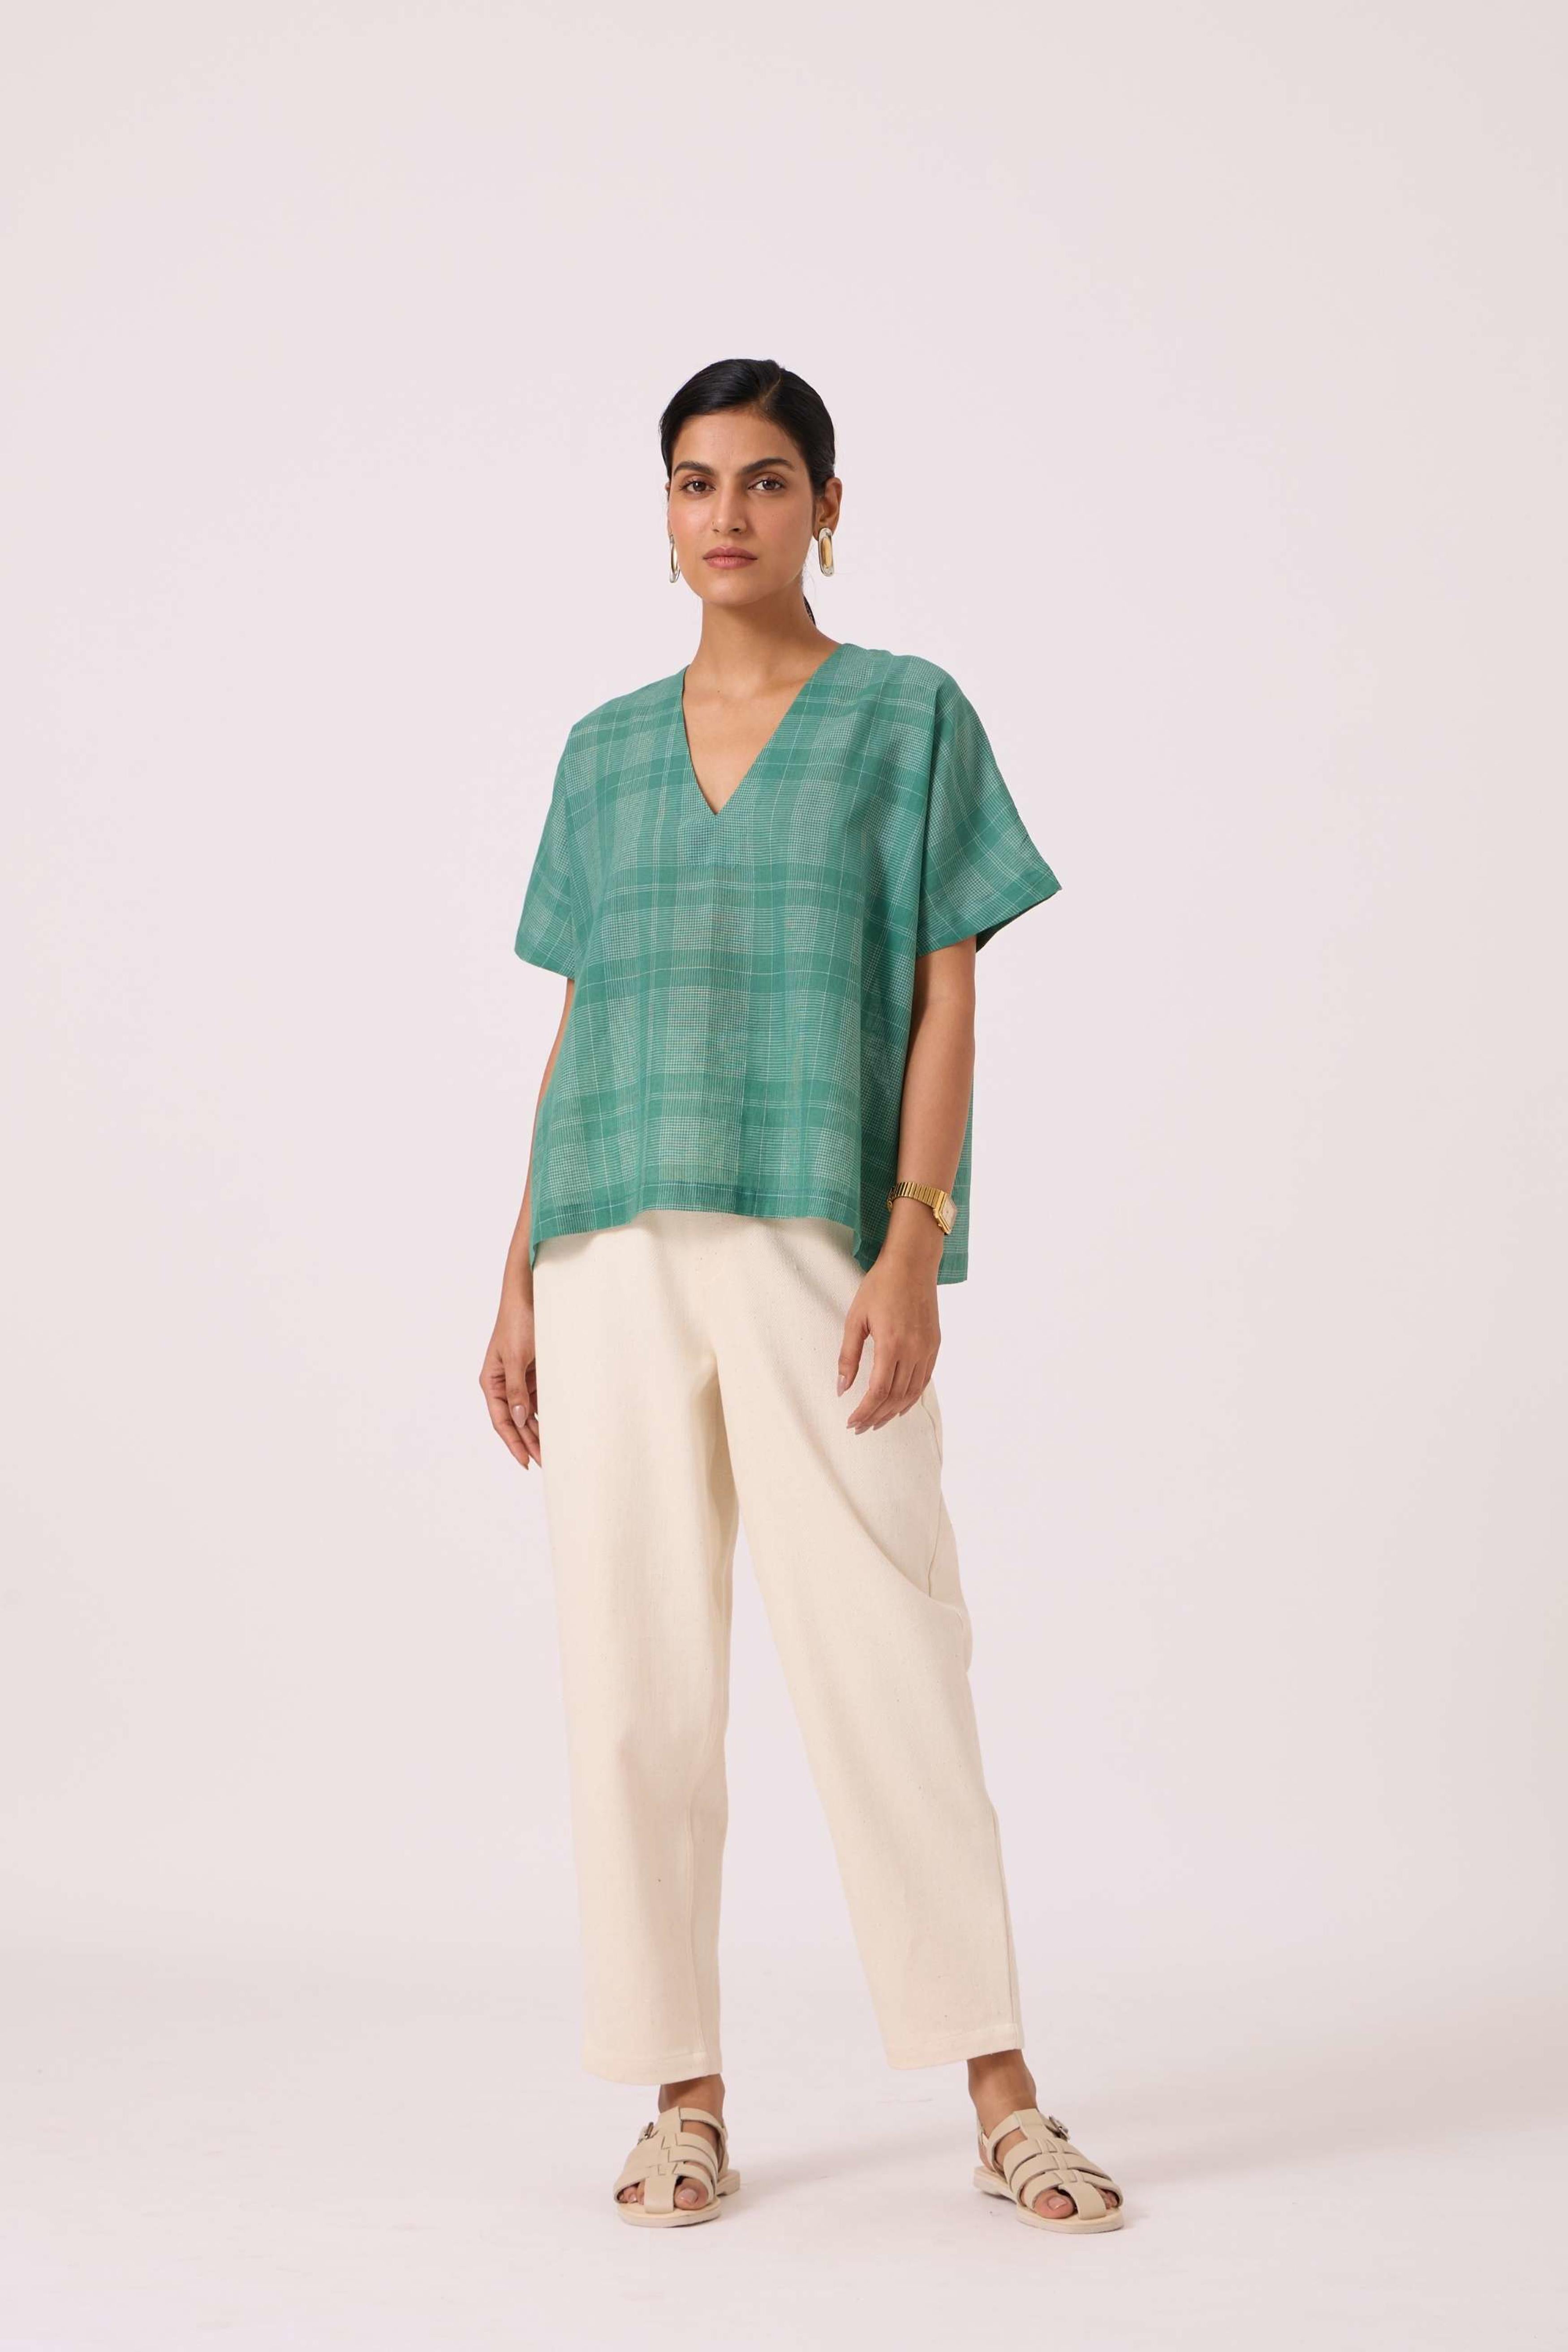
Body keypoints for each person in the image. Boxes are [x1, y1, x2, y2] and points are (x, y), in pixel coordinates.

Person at [480, 358, 1126, 2235]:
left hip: (812, 1243)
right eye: (696, 482)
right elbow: (582, 1013)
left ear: (826, 506)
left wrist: (914, 1235)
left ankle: (999, 2087)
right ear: (664, 509)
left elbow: (947, 991)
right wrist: (514, 1275)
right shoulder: (603, 750)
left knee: (885, 1651)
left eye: (766, 480)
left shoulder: (906, 716)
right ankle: (679, 2093)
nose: (729, 515)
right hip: (607, 1237)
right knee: (632, 1679)